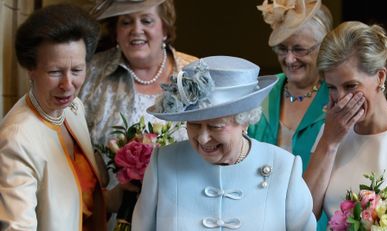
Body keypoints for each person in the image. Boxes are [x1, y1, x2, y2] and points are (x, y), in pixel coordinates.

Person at [131, 56, 316, 230]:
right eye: (194, 124)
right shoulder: (164, 163)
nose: (203, 138)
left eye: (215, 126)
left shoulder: (283, 168)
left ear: (244, 122)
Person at [0, 4, 124, 231]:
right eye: (54, 72)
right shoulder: (16, 140)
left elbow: (80, 199)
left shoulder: (73, 108)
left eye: (77, 70)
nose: (68, 85)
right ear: (31, 68)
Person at [303, 21, 387, 221]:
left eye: (351, 86)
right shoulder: (327, 133)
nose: (341, 98)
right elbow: (302, 215)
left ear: (380, 77)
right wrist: (329, 142)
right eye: (332, 88)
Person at [250, 0, 332, 229]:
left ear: (322, 47)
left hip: (320, 222)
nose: (289, 59)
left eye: (299, 49)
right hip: (261, 219)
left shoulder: (335, 95)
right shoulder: (262, 92)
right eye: (282, 49)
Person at [79, 0, 197, 147]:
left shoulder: (195, 75)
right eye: (126, 22)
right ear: (116, 31)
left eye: (147, 21)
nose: (136, 30)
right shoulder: (89, 72)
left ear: (165, 29)